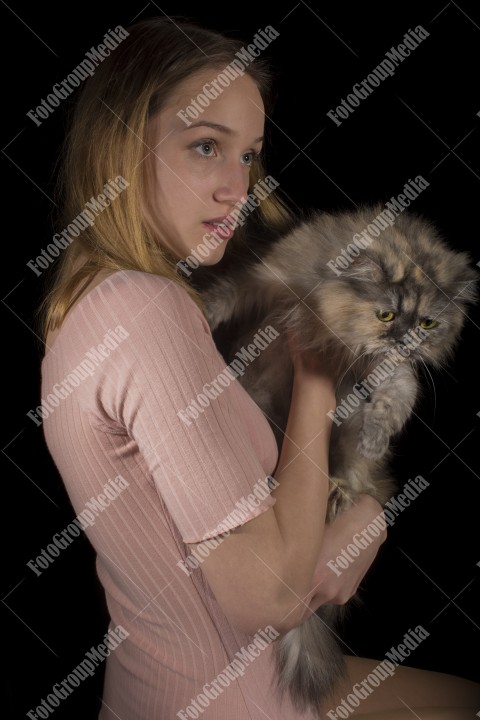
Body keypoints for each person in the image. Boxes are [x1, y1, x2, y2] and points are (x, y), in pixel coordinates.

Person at [37, 15, 480, 720]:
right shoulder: (146, 310)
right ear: (121, 147)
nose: (236, 188)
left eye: (249, 156)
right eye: (205, 147)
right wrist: (317, 378)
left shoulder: (90, 305)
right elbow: (269, 596)